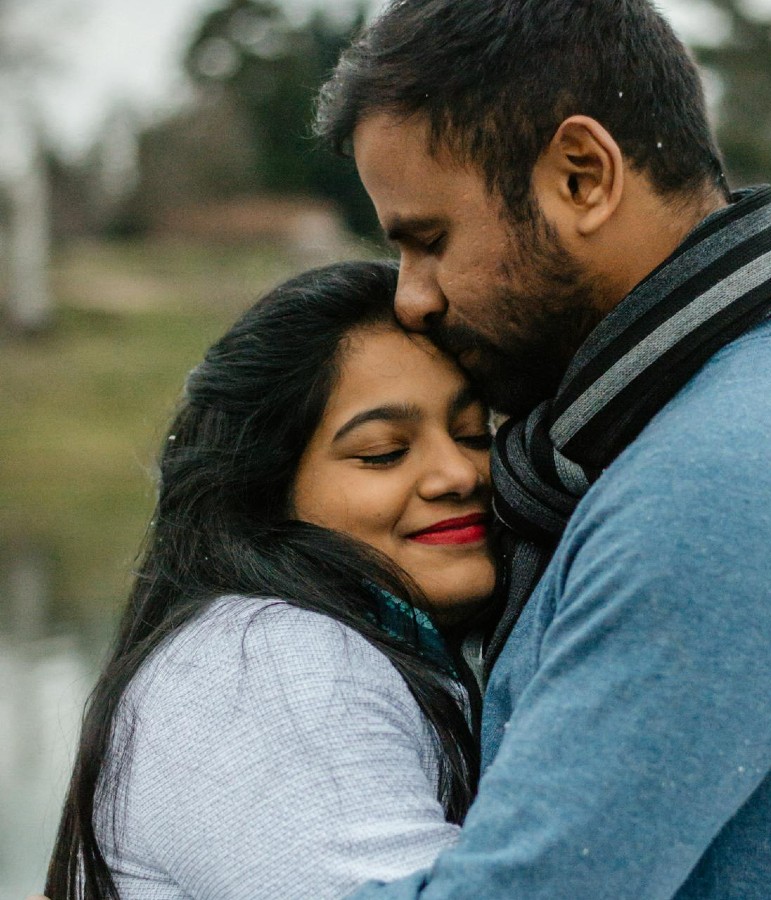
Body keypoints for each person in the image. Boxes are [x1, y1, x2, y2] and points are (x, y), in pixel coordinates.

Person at [314, 0, 771, 896]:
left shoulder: (725, 480)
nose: (412, 299)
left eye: (430, 241)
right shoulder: (731, 417)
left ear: (582, 176)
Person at [43, 260, 498, 900]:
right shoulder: (267, 660)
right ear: (268, 491)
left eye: (473, 434)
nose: (458, 473)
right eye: (383, 453)